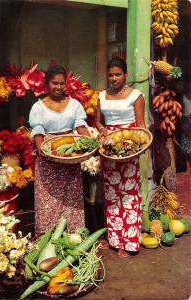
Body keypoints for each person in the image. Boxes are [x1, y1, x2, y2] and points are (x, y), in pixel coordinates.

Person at [29, 65, 89, 236]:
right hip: (48, 158)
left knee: (71, 201)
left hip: (70, 156)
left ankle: (73, 238)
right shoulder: (38, 107)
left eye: (62, 84)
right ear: (47, 84)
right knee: (48, 200)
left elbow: (80, 125)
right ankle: (47, 242)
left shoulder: (74, 104)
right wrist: (42, 148)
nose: (59, 87)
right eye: (55, 83)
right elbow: (38, 130)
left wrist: (89, 141)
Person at [96, 58, 145, 257]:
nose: (114, 78)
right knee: (111, 192)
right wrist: (102, 131)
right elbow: (98, 122)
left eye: (118, 74)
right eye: (110, 75)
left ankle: (129, 241)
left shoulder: (136, 95)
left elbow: (140, 124)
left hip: (128, 145)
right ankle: (115, 238)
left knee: (129, 191)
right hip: (109, 148)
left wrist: (139, 145)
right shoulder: (101, 96)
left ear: (125, 75)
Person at [181, 83, 191, 174]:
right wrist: (183, 125)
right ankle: (188, 167)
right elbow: (182, 113)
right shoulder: (183, 98)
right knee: (186, 146)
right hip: (186, 120)